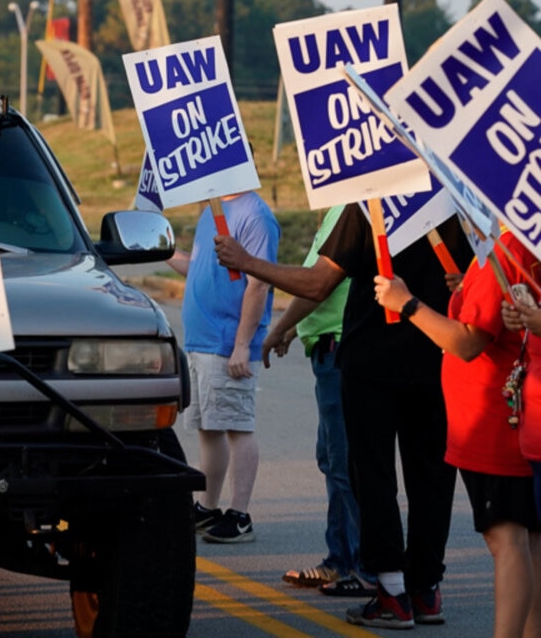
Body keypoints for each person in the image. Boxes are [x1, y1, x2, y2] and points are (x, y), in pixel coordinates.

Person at [215, 206, 471, 629]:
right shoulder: (448, 196)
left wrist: (247, 262)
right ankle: (426, 592)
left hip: (372, 361)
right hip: (436, 355)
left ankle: (392, 593)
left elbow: (319, 283)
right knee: (431, 477)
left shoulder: (369, 201)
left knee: (372, 477)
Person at [376, 229, 541, 637]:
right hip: (499, 410)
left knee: (507, 540)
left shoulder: (508, 246)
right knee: (526, 541)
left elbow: (467, 342)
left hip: (493, 416)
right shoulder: (509, 242)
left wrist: (407, 304)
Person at [265, 206, 373, 597]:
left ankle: (365, 570)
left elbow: (317, 284)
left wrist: (278, 326)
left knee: (346, 465)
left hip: (341, 350)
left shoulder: (349, 208)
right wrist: (295, 328)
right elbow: (324, 290)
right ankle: (339, 560)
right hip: (326, 350)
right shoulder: (334, 212)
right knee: (332, 460)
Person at [166, 190, 279, 544]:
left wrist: (242, 344)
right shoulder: (211, 210)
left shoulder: (256, 215)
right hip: (200, 340)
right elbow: (199, 266)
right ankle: (208, 507)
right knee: (209, 427)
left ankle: (240, 515)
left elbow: (259, 282)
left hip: (227, 341)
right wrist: (163, 250)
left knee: (237, 425)